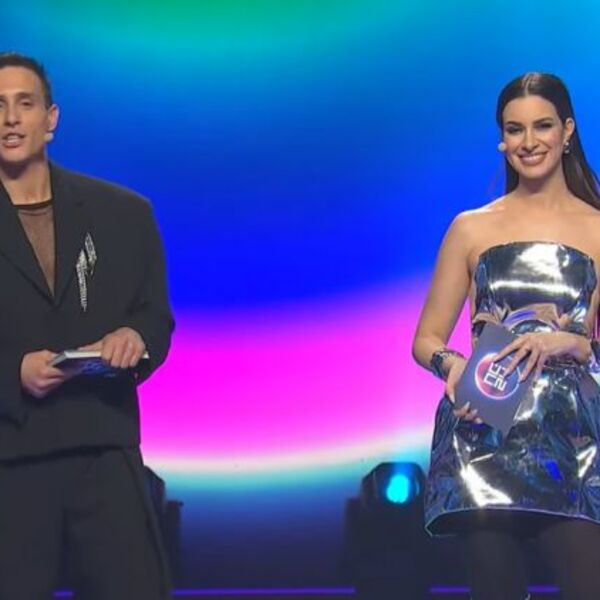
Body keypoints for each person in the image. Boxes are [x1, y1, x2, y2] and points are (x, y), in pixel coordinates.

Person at [413, 72, 600, 600]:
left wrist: (575, 344)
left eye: (543, 126)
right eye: (515, 129)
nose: (529, 141)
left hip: (571, 437)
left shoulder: (597, 228)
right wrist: (452, 364)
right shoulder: (471, 228)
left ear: (567, 131)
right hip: (484, 429)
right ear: (502, 139)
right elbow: (426, 337)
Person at [0, 52, 174, 599]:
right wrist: (13, 374)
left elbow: (154, 318)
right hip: (10, 458)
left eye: (24, 104)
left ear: (50, 118)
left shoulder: (122, 214)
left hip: (102, 448)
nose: (10, 119)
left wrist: (134, 339)